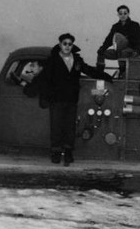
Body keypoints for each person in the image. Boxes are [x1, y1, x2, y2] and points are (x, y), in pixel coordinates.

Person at [25, 33, 113, 166]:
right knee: (56, 126)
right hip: (56, 99)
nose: (67, 46)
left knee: (70, 127)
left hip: (71, 99)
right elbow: (43, 77)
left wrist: (106, 76)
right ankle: (55, 153)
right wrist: (30, 88)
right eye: (64, 44)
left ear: (72, 45)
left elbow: (89, 70)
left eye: (69, 44)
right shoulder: (53, 60)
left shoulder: (77, 60)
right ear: (60, 45)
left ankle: (68, 153)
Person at [96, 5, 140, 77]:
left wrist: (137, 51)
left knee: (123, 52)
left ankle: (123, 72)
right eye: (120, 13)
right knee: (102, 52)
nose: (123, 15)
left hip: (131, 50)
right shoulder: (115, 26)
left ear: (128, 14)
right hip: (118, 51)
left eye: (125, 13)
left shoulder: (135, 25)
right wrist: (102, 48)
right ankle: (99, 73)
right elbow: (109, 39)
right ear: (118, 15)